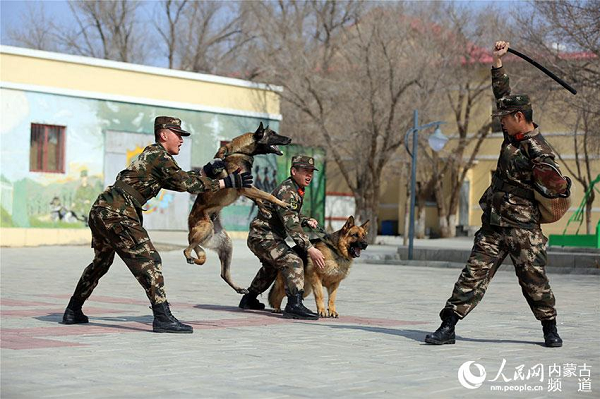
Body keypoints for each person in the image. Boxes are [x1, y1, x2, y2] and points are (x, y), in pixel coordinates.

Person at [424, 41, 571, 347]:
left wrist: (557, 183)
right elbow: (502, 94)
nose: (500, 120)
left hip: (523, 228)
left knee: (534, 280)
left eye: (504, 117)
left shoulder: (538, 149)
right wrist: (497, 62)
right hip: (494, 225)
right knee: (472, 275)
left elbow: (557, 186)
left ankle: (550, 328)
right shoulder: (512, 135)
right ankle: (448, 326)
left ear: (519, 116)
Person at [62, 116, 253, 333]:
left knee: (101, 262)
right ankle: (162, 316)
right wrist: (225, 182)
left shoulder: (156, 156)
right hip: (117, 213)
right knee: (150, 260)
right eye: (178, 135)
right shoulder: (158, 155)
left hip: (104, 210)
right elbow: (185, 184)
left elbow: (178, 178)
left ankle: (73, 310)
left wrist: (206, 171)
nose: (181, 140)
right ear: (164, 135)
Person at [239, 155, 326, 320]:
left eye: (311, 172)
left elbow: (289, 215)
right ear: (294, 171)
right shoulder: (288, 192)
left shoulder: (295, 189)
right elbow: (291, 225)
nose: (309, 175)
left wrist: (306, 220)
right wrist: (310, 248)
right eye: (305, 171)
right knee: (293, 261)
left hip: (267, 236)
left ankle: (249, 299)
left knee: (271, 267)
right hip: (263, 237)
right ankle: (294, 304)